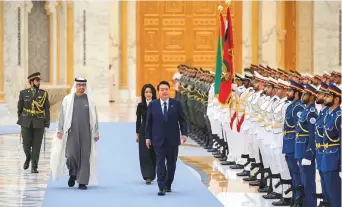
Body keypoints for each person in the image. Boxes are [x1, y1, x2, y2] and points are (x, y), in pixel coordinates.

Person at [50, 77, 99, 190]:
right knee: (71, 155)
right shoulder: (68, 100)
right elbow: (62, 116)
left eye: (83, 85)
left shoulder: (90, 101)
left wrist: (96, 132)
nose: (81, 87)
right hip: (72, 132)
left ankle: (82, 181)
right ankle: (73, 173)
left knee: (85, 157)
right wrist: (60, 130)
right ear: (75, 86)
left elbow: (94, 118)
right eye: (79, 85)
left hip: (86, 133)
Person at [145, 80, 188, 196]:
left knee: (171, 165)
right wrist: (147, 137)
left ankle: (168, 184)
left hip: (173, 140)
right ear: (158, 92)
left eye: (166, 89)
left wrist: (184, 134)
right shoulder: (153, 105)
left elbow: (182, 120)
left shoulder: (176, 104)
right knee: (160, 163)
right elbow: (148, 123)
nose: (164, 92)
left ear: (170, 91)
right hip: (158, 140)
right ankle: (161, 187)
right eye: (162, 90)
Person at [17, 72, 50, 173]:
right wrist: (21, 120)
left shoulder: (43, 94)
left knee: (37, 145)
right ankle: (28, 157)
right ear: (31, 82)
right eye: (37, 80)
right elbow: (20, 108)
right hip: (26, 121)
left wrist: (47, 122)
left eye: (39, 80)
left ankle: (34, 166)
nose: (39, 82)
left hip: (39, 122)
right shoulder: (23, 93)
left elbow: (46, 109)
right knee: (26, 144)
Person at [136, 84, 157, 184]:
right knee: (144, 154)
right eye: (146, 92)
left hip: (155, 130)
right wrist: (137, 133)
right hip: (143, 130)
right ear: (143, 94)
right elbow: (138, 120)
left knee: (153, 153)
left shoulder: (157, 104)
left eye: (150, 92)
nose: (148, 94)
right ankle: (147, 175)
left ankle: (153, 174)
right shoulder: (140, 106)